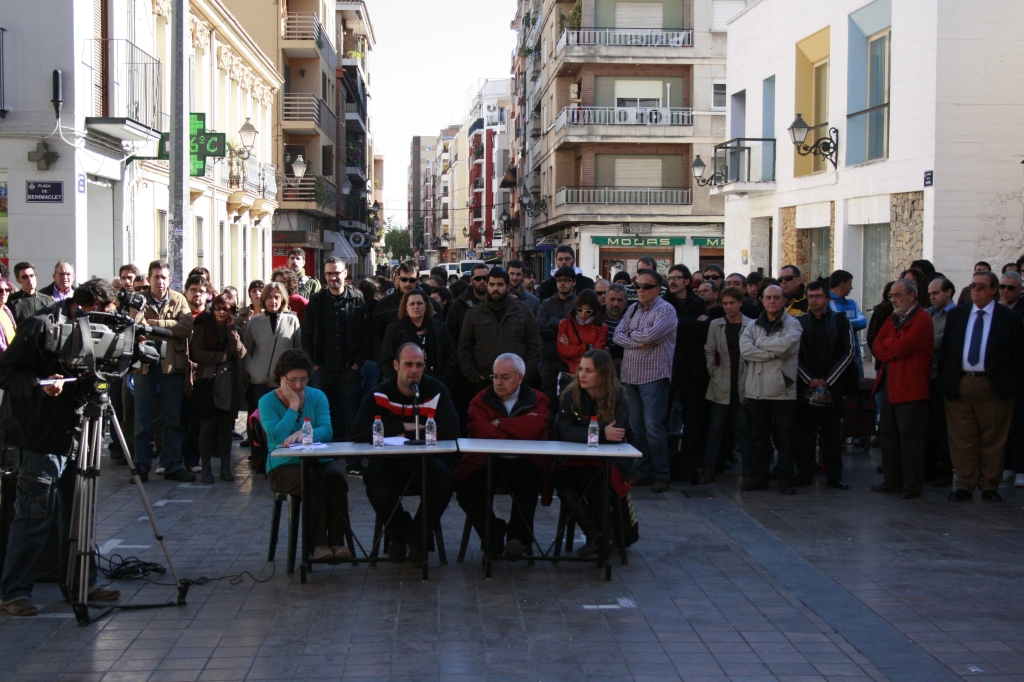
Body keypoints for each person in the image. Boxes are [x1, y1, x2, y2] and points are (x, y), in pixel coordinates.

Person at [0, 280, 123, 616]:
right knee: (34, 515)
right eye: (104, 315)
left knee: (78, 514)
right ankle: (14, 593)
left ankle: (83, 582)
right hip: (39, 436)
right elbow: (7, 372)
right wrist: (41, 386)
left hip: (77, 434)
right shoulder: (40, 326)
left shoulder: (92, 329)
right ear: (89, 304)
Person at [351, 344, 460, 560]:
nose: (414, 370)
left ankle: (415, 538)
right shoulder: (379, 393)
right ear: (395, 366)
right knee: (374, 481)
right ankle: (403, 535)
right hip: (388, 463)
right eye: (408, 364)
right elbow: (358, 431)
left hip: (425, 461)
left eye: (419, 365)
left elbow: (451, 429)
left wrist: (399, 434)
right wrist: (408, 427)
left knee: (444, 480)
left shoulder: (437, 390)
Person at [939, 270, 1024, 502]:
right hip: (961, 384)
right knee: (962, 438)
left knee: (993, 439)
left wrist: (1010, 385)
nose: (976, 290)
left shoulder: (1009, 318)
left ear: (994, 290)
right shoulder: (958, 315)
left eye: (982, 286)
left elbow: (1018, 357)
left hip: (993, 386)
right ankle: (964, 485)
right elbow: (946, 351)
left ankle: (989, 485)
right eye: (973, 285)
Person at [454, 354, 550, 559]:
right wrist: (517, 430)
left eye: (504, 377)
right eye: (495, 376)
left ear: (520, 378)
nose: (498, 382)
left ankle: (517, 537)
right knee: (465, 486)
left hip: (524, 461)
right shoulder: (480, 399)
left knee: (530, 480)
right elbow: (480, 430)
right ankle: (492, 532)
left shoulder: (538, 399)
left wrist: (500, 424)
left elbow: (535, 429)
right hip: (486, 460)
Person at [260, 349, 350, 562]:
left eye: (303, 379)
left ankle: (337, 541)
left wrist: (305, 433)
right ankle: (318, 544)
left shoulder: (317, 396)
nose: (299, 386)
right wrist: (293, 406)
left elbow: (327, 430)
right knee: (312, 481)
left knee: (337, 479)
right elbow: (275, 435)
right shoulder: (267, 401)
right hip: (282, 466)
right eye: (292, 380)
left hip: (317, 460)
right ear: (281, 378)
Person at [553, 349, 632, 557]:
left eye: (589, 370)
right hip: (574, 456)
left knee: (592, 476)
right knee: (560, 475)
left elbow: (618, 433)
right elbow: (564, 431)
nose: (582, 375)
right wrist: (601, 433)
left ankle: (605, 535)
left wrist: (589, 434)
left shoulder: (619, 397)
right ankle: (595, 534)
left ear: (603, 374)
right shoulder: (570, 395)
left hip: (610, 459)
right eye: (581, 369)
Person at [131, 261, 195, 483]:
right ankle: (140, 467)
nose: (159, 281)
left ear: (170, 280)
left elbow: (186, 327)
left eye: (163, 277)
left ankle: (172, 465)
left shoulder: (179, 299)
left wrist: (156, 324)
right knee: (143, 420)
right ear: (149, 279)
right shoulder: (138, 300)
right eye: (156, 277)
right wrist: (169, 328)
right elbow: (136, 326)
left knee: (173, 419)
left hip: (171, 367)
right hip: (144, 367)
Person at [614, 269, 677, 493]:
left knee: (653, 427)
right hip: (630, 376)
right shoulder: (632, 309)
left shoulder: (667, 310)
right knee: (637, 429)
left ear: (657, 289)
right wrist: (638, 339)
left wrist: (632, 335)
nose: (640, 290)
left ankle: (662, 474)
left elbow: (652, 336)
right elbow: (617, 335)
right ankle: (643, 471)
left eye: (645, 287)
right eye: (637, 287)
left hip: (654, 376)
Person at [870, 278, 934, 499]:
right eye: (891, 296)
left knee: (911, 439)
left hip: (911, 387)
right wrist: (892, 347)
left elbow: (900, 348)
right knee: (888, 435)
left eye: (897, 295)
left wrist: (891, 347)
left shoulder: (922, 320)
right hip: (891, 384)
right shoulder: (892, 318)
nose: (893, 300)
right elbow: (878, 345)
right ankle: (892, 480)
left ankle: (911, 484)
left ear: (911, 296)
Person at [795, 281, 857, 490]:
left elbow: (849, 351)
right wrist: (809, 380)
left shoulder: (840, 321)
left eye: (818, 296)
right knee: (804, 433)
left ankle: (833, 476)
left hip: (833, 385)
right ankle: (804, 474)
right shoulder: (798, 321)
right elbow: (792, 353)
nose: (814, 300)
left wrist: (828, 380)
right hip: (806, 386)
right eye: (811, 296)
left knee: (831, 433)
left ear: (827, 299)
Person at [740, 284, 802, 494]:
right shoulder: (752, 325)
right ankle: (759, 478)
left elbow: (786, 347)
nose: (772, 301)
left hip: (783, 389)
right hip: (756, 389)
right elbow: (745, 350)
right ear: (762, 301)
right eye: (768, 298)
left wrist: (761, 344)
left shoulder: (793, 324)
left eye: (777, 297)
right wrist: (770, 352)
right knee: (759, 438)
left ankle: (786, 480)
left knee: (784, 439)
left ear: (784, 300)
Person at [301, 257, 367, 445]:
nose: (333, 277)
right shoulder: (316, 301)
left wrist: (357, 364)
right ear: (324, 276)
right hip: (322, 370)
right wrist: (314, 364)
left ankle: (352, 459)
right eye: (329, 273)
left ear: (345, 274)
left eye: (337, 273)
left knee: (351, 415)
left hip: (349, 370)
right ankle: (322, 456)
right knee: (320, 415)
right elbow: (306, 335)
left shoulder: (357, 300)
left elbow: (366, 335)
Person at [189, 292, 246, 483]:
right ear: (212, 309)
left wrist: (231, 331)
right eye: (218, 308)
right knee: (206, 426)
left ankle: (225, 468)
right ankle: (206, 468)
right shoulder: (203, 328)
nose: (221, 312)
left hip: (229, 383)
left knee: (225, 427)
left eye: (226, 309)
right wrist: (221, 357)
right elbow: (197, 353)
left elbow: (240, 353)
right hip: (207, 382)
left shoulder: (235, 328)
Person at [458, 268, 541, 395]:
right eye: (492, 284)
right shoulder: (473, 313)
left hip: (516, 381)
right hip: (484, 381)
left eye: (500, 284)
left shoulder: (523, 313)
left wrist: (526, 374)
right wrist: (474, 375)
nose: (495, 288)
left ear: (507, 286)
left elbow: (534, 345)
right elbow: (464, 347)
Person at [663, 264, 709, 484]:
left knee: (693, 420)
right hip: (667, 367)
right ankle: (666, 465)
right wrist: (689, 325)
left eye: (677, 278)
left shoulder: (699, 303)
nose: (672, 281)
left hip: (693, 369)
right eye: (670, 277)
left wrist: (678, 326)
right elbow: (664, 328)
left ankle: (689, 464)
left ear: (687, 282)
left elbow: (703, 330)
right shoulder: (663, 302)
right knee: (664, 418)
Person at [703, 287, 752, 485]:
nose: (729, 307)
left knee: (744, 427)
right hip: (720, 380)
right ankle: (709, 469)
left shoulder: (751, 324)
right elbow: (709, 350)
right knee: (716, 426)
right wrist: (714, 373)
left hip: (744, 381)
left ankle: (748, 471)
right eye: (725, 303)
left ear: (740, 302)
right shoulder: (716, 324)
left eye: (732, 303)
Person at [380, 289, 458, 384]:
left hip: (435, 383)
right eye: (412, 304)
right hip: (404, 384)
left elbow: (451, 355)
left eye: (419, 303)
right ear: (405, 307)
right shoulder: (394, 329)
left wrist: (442, 379)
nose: (416, 307)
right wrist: (399, 382)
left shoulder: (439, 327)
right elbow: (386, 360)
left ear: (426, 306)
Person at [243, 282, 302, 403]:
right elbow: (248, 350)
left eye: (277, 297)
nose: (273, 301)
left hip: (285, 381)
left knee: (283, 418)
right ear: (264, 299)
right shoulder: (254, 322)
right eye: (269, 297)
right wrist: (252, 369)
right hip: (259, 381)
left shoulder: (292, 320)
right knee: (263, 419)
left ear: (283, 299)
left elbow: (299, 350)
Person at [925, 277, 956, 487]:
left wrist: (927, 339)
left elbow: (946, 342)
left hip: (943, 378)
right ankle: (928, 468)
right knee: (927, 428)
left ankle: (946, 469)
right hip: (925, 377)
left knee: (943, 429)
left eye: (936, 293)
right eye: (930, 294)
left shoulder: (957, 316)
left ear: (949, 292)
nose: (932, 297)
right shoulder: (926, 314)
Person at [181, 274, 212, 474]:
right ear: (186, 292)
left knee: (198, 420)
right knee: (178, 418)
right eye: (193, 290)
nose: (197, 294)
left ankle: (194, 457)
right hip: (179, 371)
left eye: (201, 291)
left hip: (202, 374)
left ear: (207, 294)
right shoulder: (180, 314)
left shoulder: (211, 317)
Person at [537, 266, 579, 407]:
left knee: (572, 404)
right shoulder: (547, 303)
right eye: (559, 280)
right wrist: (565, 330)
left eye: (566, 280)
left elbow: (579, 331)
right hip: (549, 362)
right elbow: (540, 327)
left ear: (574, 282)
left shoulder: (579, 304)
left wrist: (553, 322)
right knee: (548, 404)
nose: (562, 283)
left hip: (572, 363)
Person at [557, 289, 606, 377]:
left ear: (594, 311)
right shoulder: (565, 324)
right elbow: (562, 351)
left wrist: (570, 347)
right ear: (576, 308)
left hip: (590, 374)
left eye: (588, 311)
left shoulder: (602, 328)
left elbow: (596, 355)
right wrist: (587, 347)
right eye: (580, 310)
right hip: (568, 373)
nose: (583, 314)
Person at [828, 270, 867, 376]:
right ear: (842, 284)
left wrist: (841, 323)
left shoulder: (852, 303)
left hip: (854, 355)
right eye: (850, 283)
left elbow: (863, 322)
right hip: (833, 357)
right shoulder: (825, 303)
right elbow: (828, 325)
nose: (851, 287)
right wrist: (848, 324)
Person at [603, 283, 628, 371]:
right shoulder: (596, 317)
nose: (616, 304)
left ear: (626, 300)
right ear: (605, 299)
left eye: (620, 300)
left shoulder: (633, 317)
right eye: (612, 299)